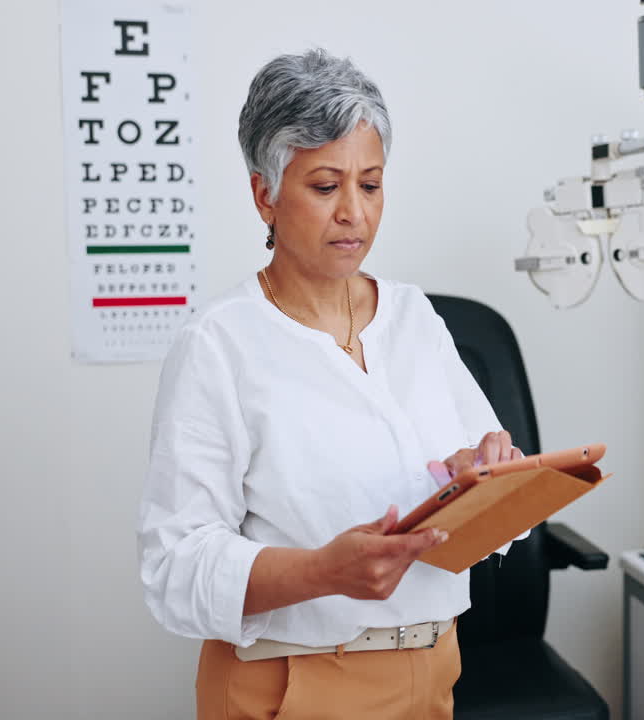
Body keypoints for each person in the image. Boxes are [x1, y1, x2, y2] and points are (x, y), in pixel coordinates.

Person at [137, 49, 523, 719]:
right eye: (325, 186)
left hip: (431, 673)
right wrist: (323, 571)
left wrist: (483, 480)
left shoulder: (414, 320)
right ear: (265, 193)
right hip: (290, 685)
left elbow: (481, 500)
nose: (354, 213)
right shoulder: (219, 346)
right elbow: (175, 569)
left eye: (370, 185)